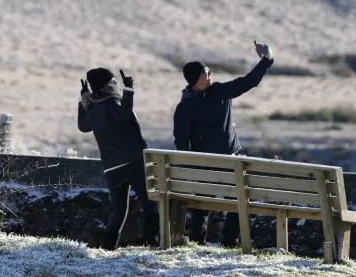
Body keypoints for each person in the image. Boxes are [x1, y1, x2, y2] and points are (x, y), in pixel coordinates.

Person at [173, 40, 275, 247]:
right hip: (215, 162)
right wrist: (267, 60)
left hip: (218, 160)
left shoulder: (209, 95)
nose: (209, 74)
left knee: (226, 202)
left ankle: (220, 241)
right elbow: (181, 140)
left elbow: (248, 82)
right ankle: (216, 242)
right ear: (195, 79)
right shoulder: (193, 103)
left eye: (209, 70)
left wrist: (266, 61)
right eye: (205, 72)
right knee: (228, 202)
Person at [77, 67, 159, 250]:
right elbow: (124, 116)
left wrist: (83, 99)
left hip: (111, 168)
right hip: (132, 162)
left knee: (119, 211)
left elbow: (83, 126)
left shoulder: (92, 107)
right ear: (106, 85)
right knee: (150, 205)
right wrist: (129, 91)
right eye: (113, 81)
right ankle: (152, 243)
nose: (115, 83)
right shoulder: (111, 102)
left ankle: (108, 247)